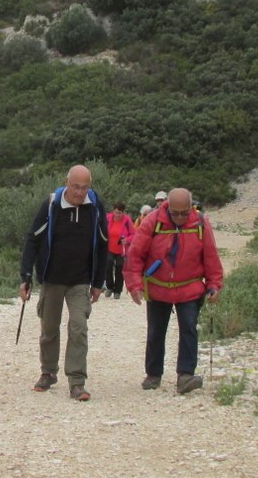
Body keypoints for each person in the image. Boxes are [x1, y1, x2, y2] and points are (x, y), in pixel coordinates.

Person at [19, 165, 109, 402]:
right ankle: (48, 372)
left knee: (79, 327)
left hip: (80, 280)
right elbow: (32, 239)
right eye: (75, 186)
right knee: (49, 329)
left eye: (85, 187)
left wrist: (98, 282)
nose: (80, 192)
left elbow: (103, 244)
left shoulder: (95, 207)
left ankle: (77, 382)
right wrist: (25, 276)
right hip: (52, 278)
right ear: (66, 183)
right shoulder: (51, 205)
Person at [125, 188, 223, 395]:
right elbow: (135, 255)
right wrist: (134, 284)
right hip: (158, 288)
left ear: (191, 208)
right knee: (155, 331)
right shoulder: (153, 222)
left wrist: (214, 284)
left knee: (189, 329)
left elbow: (211, 256)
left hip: (189, 287)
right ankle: (153, 374)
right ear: (168, 207)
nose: (179, 217)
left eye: (184, 213)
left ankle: (185, 375)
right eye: (175, 213)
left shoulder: (200, 223)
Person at [104, 201, 135, 299]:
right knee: (108, 267)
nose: (118, 215)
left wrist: (127, 240)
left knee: (119, 269)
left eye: (120, 213)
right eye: (116, 212)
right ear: (113, 211)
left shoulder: (127, 220)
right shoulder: (108, 218)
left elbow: (134, 234)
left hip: (122, 249)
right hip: (109, 247)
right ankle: (109, 287)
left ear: (124, 212)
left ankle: (117, 290)